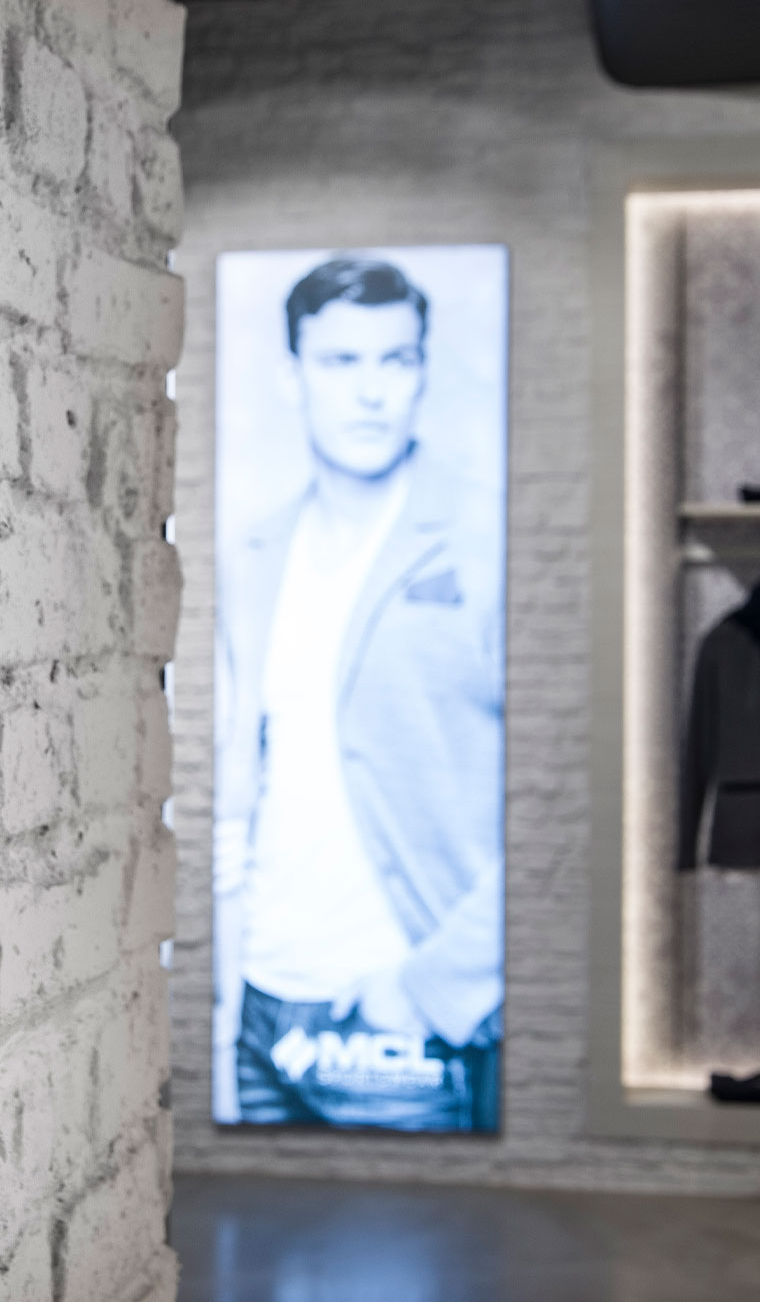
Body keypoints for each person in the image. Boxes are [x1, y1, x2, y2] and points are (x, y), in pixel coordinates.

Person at [213, 256, 504, 1131]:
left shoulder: (486, 539)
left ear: (422, 371)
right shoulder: (255, 552)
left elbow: (566, 804)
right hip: (260, 1007)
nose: (371, 391)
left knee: (395, 1221)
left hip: (398, 1019)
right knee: (243, 1222)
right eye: (341, 361)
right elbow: (243, 774)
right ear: (292, 375)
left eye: (395, 360)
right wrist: (222, 991)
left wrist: (432, 987)